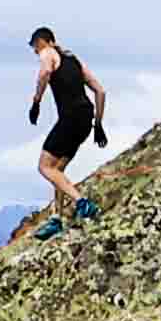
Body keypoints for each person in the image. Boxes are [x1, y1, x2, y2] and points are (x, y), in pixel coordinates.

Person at [24, 29, 108, 228]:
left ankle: (82, 203)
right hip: (85, 118)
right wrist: (98, 124)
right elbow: (100, 91)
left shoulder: (48, 52)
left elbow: (45, 72)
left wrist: (36, 102)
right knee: (58, 170)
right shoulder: (74, 60)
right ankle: (57, 219)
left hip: (70, 117)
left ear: (42, 41)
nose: (35, 52)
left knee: (45, 167)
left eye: (35, 47)